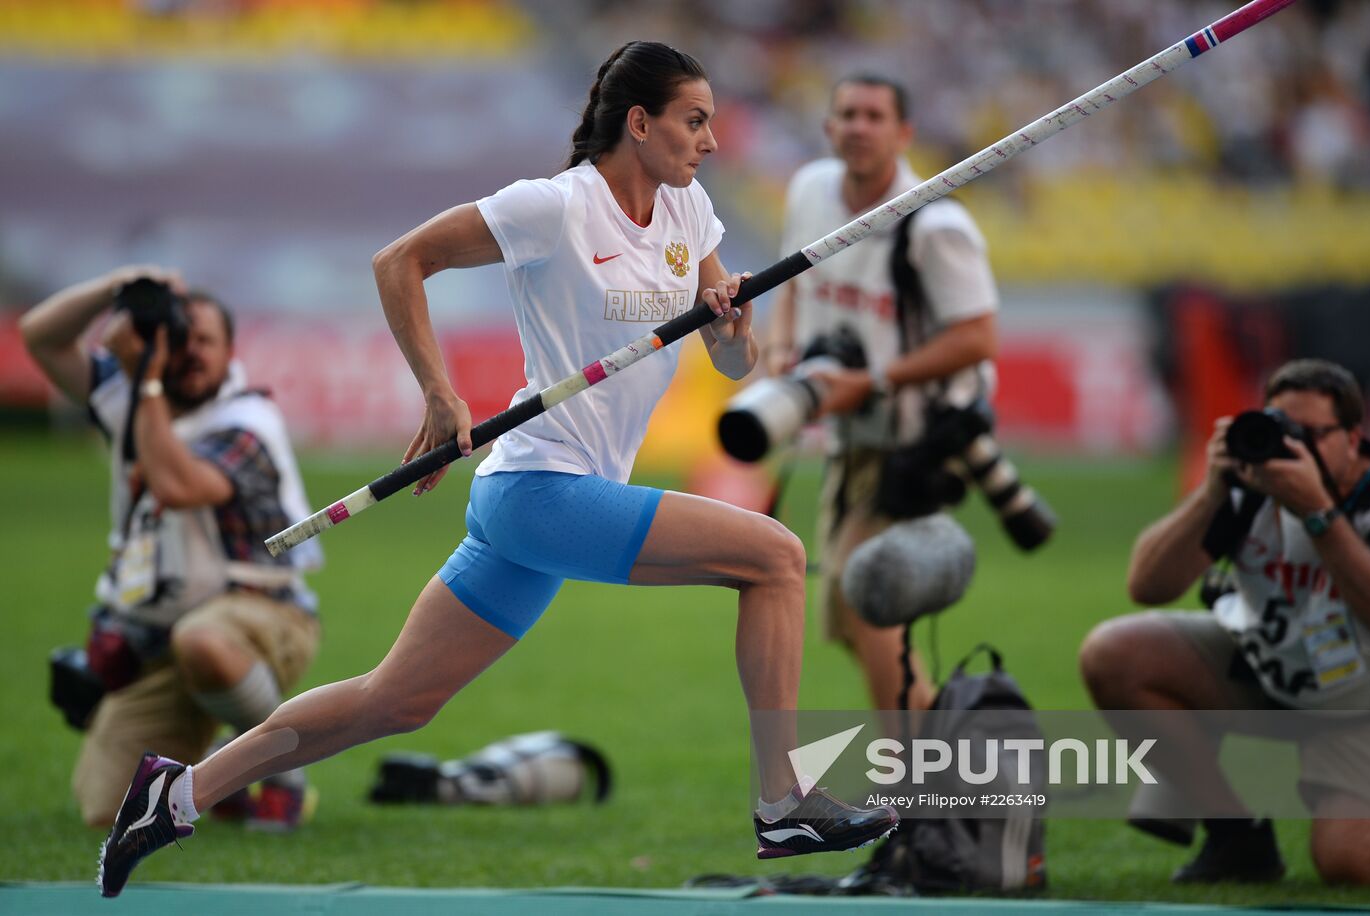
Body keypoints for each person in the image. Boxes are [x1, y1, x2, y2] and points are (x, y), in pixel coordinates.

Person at [95, 41, 898, 898]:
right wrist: (439, 397)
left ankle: (175, 793)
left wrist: (727, 322)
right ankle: (783, 800)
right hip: (538, 488)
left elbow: (734, 363)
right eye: (693, 121)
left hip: (550, 501)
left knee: (393, 701)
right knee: (774, 558)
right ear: (640, 122)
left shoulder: (690, 212)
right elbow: (398, 261)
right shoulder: (553, 207)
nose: (709, 142)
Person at [20, 266, 323, 833]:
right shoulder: (131, 394)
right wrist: (119, 289)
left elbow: (177, 484)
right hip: (155, 637)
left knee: (204, 642)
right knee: (106, 811)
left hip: (260, 618)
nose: (191, 353)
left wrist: (146, 378)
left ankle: (280, 770)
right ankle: (218, 776)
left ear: (232, 351)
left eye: (205, 341)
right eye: (179, 337)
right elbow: (40, 336)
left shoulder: (248, 421)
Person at [1079, 359, 1370, 885]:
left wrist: (1319, 513)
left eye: (1311, 435)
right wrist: (1211, 494)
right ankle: (1237, 838)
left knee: (1351, 858)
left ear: (1353, 438)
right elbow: (1148, 585)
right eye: (1281, 430)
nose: (1293, 448)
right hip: (1278, 667)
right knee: (1114, 654)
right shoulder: (1250, 487)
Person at [766, 74, 999, 712]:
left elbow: (979, 339)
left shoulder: (935, 222)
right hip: (855, 432)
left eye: (874, 116)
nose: (859, 126)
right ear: (827, 127)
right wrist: (786, 353)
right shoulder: (810, 189)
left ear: (904, 133)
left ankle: (918, 792)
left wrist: (870, 383)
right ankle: (945, 769)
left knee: (870, 603)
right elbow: (792, 280)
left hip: (920, 435)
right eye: (847, 114)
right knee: (848, 615)